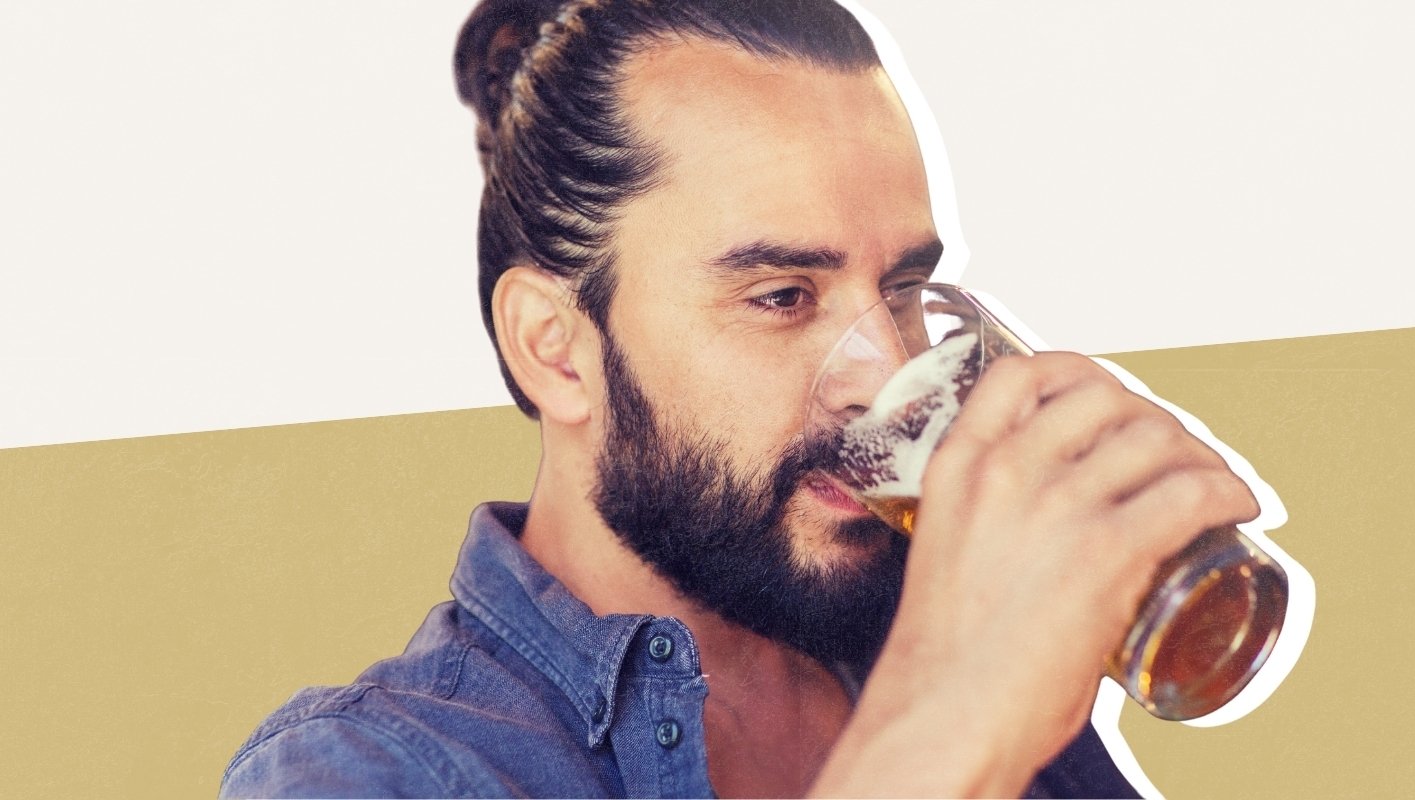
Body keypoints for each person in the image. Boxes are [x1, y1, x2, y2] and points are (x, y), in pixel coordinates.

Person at [220, 1, 1262, 796]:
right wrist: (941, 735)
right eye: (781, 296)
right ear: (556, 350)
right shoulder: (369, 769)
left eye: (902, 290)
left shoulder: (947, 619)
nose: (884, 375)